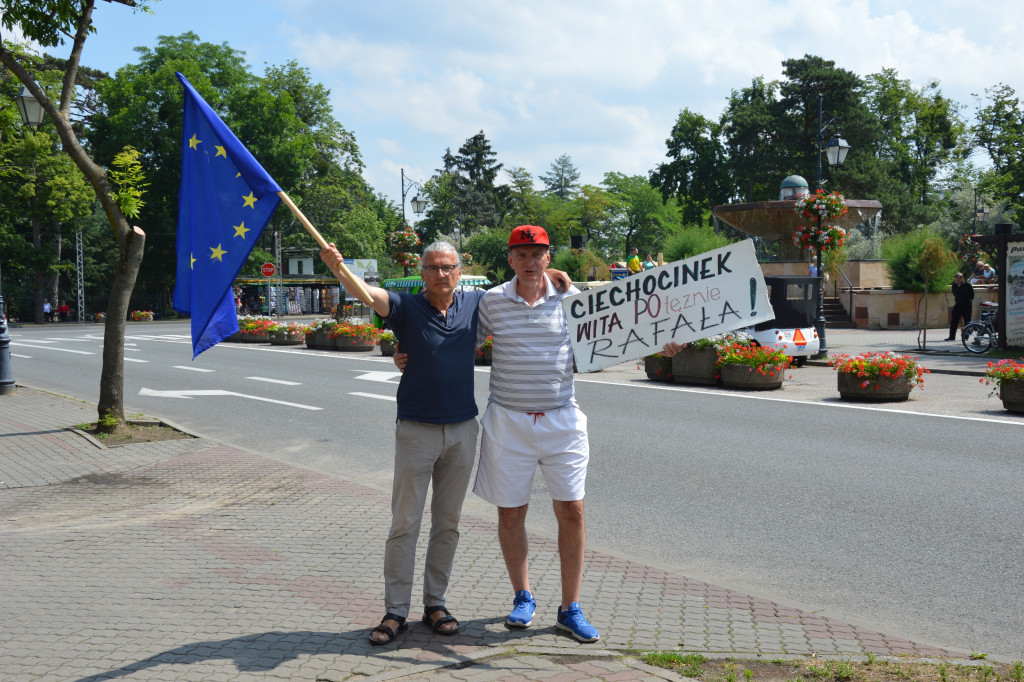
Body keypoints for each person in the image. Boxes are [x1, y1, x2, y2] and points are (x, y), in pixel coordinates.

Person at [319, 241, 570, 646]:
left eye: (448, 267)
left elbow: (526, 283)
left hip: (462, 430)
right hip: (416, 429)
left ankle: (435, 604)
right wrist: (339, 268)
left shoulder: (474, 305)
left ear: (459, 271)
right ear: (422, 273)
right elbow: (368, 295)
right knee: (405, 523)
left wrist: (554, 275)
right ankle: (395, 611)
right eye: (433, 268)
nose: (441, 274)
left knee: (448, 524)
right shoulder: (405, 307)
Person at [947, 272, 974, 341]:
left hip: (967, 306)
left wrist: (967, 301)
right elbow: (954, 294)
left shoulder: (967, 285)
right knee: (953, 321)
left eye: (958, 279)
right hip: (958, 305)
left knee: (967, 321)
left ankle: (965, 337)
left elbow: (972, 294)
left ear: (962, 278)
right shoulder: (954, 285)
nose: (957, 280)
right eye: (956, 279)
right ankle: (951, 337)